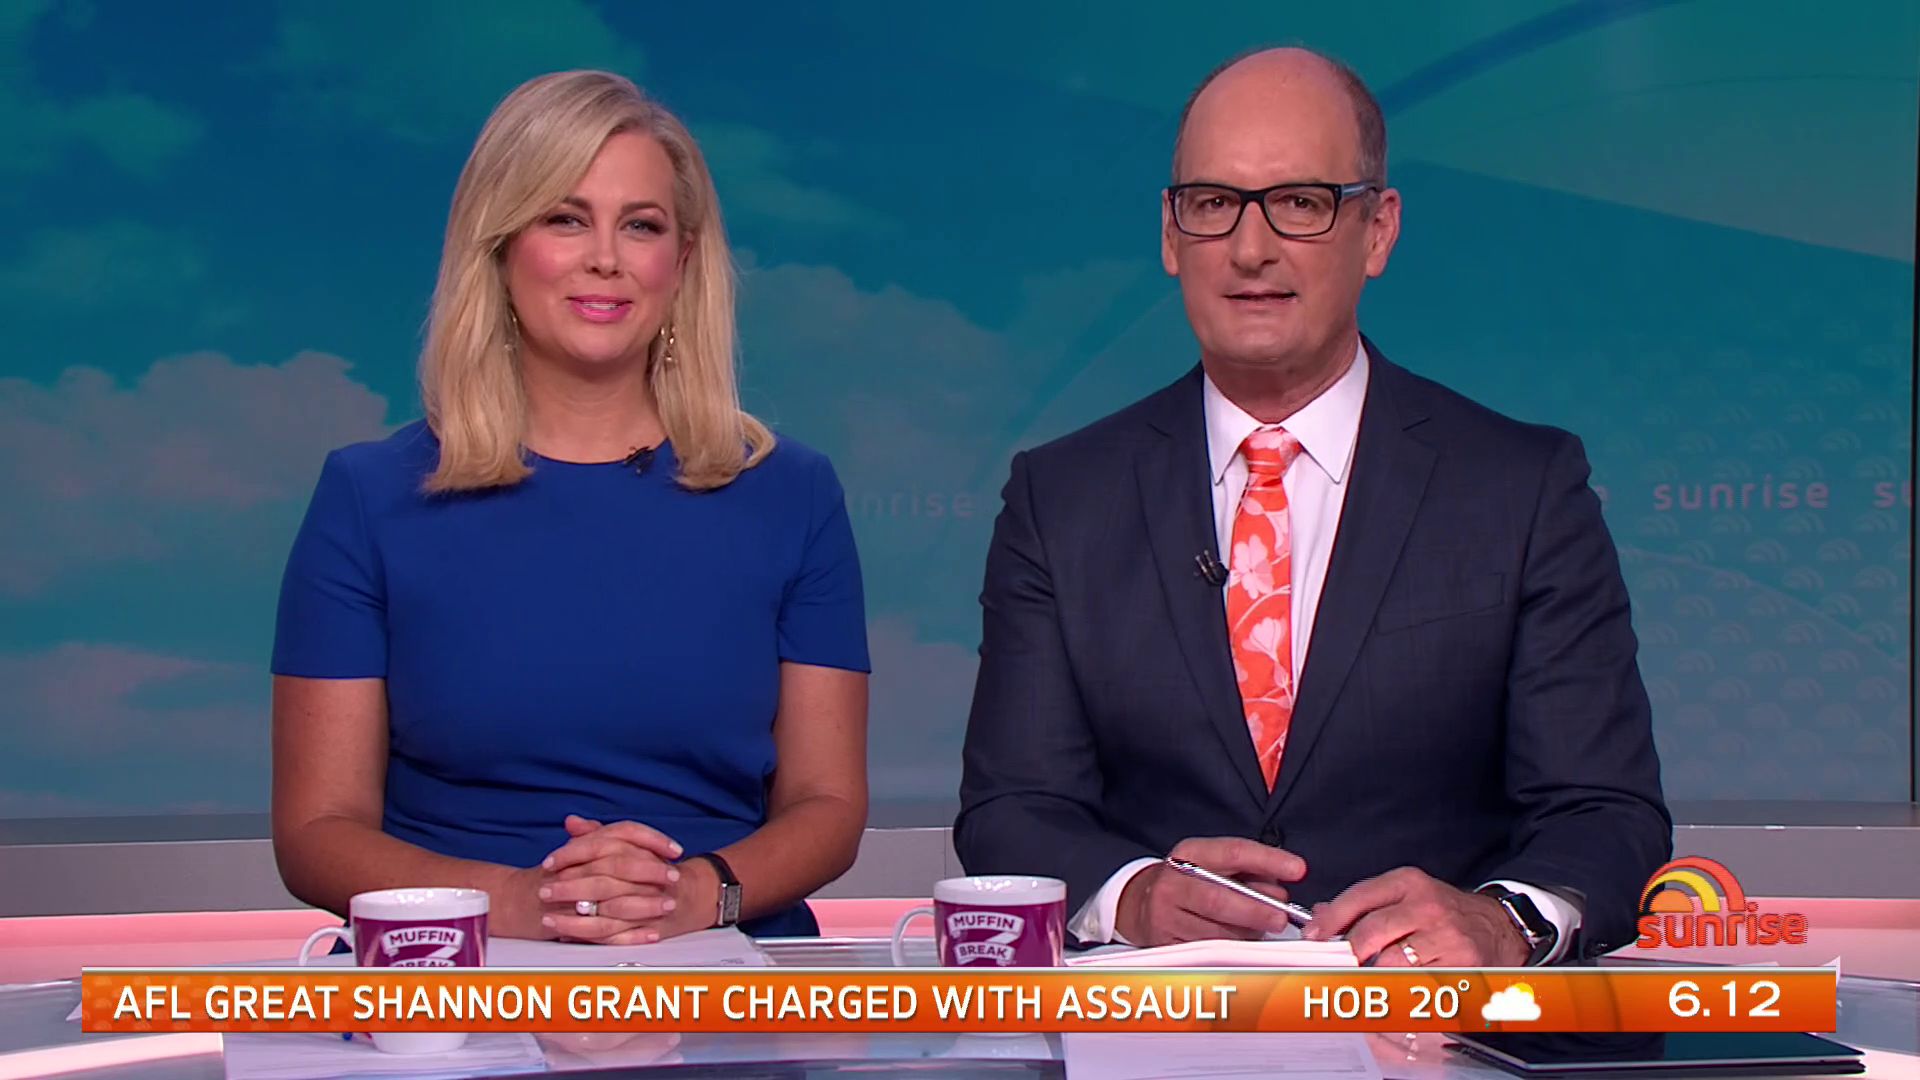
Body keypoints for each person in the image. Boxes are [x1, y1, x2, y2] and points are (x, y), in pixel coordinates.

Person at [955, 47, 1669, 966]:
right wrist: (1134, 896)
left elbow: (1605, 812)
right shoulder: (1061, 500)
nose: (1251, 248)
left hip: (1435, 1024)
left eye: (1300, 202)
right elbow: (1012, 809)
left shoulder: (1522, 488)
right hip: (1156, 1025)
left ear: (1378, 231)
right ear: (1170, 235)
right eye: (1214, 203)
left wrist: (1498, 924)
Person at [271, 70, 869, 943]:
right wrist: (519, 906)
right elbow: (317, 832)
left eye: (641, 225)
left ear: (682, 261)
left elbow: (828, 804)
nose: (606, 258)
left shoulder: (792, 493)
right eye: (565, 218)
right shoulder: (368, 497)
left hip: (722, 953)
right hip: (460, 963)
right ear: (500, 246)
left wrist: (697, 895)